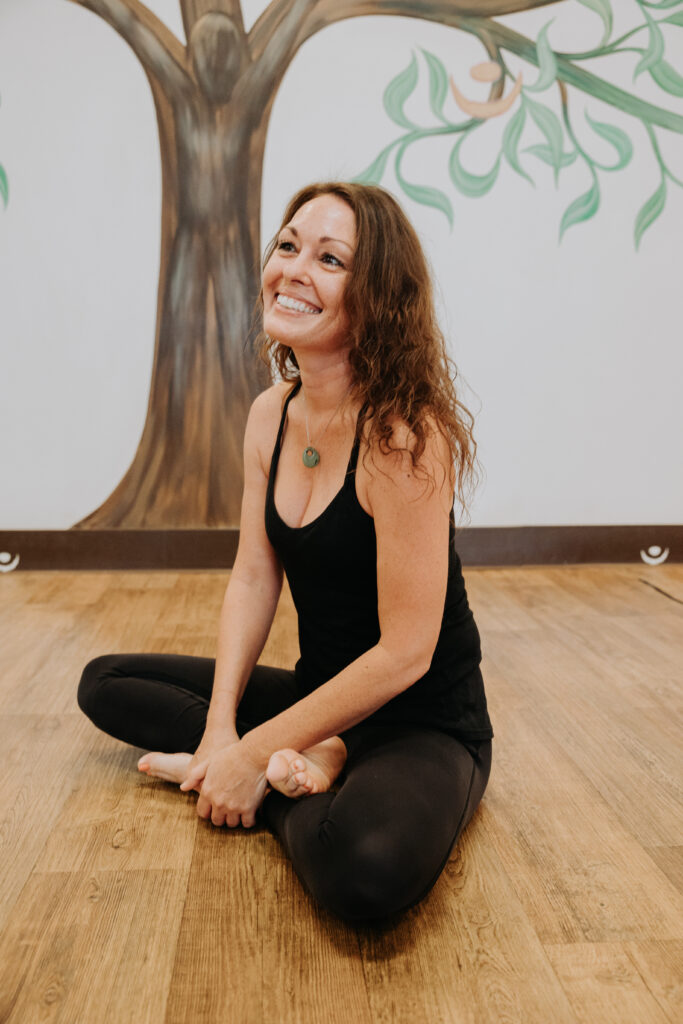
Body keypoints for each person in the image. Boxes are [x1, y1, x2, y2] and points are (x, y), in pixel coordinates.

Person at [78, 182, 493, 923]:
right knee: (105, 681)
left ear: (375, 297)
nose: (293, 267)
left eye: (329, 258)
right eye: (288, 245)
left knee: (363, 875)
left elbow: (405, 654)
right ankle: (299, 759)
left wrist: (247, 763)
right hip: (319, 698)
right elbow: (251, 575)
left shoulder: (403, 436)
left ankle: (282, 779)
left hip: (420, 720)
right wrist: (222, 731)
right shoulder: (271, 413)